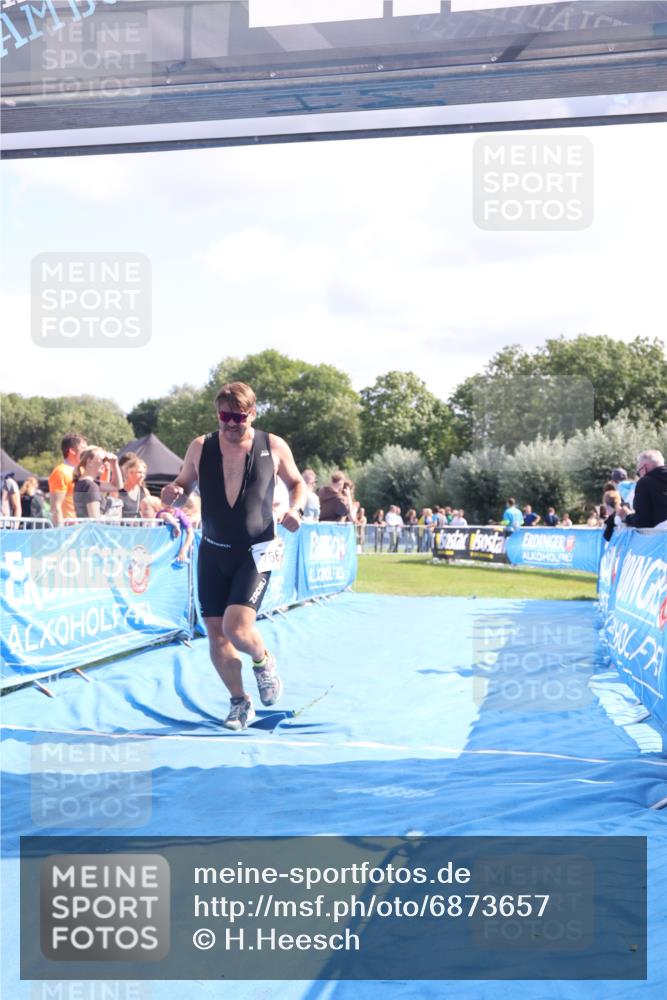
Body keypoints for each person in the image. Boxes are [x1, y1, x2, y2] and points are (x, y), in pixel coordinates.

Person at [161, 381, 306, 731]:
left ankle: (263, 660)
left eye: (238, 417)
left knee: (237, 628)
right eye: (224, 416)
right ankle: (240, 702)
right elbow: (182, 486)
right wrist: (174, 493)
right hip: (214, 549)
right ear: (217, 414)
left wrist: (296, 510)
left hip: (259, 549)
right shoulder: (201, 446)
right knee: (216, 633)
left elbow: (298, 483)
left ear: (252, 414)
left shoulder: (272, 444)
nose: (230, 423)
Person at [619, 450, 667, 529]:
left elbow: (642, 522)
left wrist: (627, 516)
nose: (639, 476)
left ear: (644, 468)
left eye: (638, 473)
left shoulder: (645, 482)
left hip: (661, 537)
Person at [48, 433, 87, 526]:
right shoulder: (61, 472)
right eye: (83, 448)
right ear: (72, 451)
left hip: (83, 526)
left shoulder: (83, 470)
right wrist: (60, 531)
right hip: (69, 528)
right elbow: (56, 506)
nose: (87, 452)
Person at [72, 448, 122, 518]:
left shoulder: (82, 482)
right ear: (89, 461)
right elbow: (94, 518)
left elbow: (117, 486)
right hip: (92, 528)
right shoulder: (91, 486)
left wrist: (114, 464)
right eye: (102, 460)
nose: (105, 463)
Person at [158, 487, 195, 564]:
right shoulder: (161, 513)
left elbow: (190, 533)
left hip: (173, 552)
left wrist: (184, 549)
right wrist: (176, 526)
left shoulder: (180, 514)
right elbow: (165, 515)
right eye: (166, 500)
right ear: (162, 502)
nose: (170, 503)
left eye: (173, 500)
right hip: (160, 551)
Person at [118, 454, 150, 518]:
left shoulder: (144, 492)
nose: (142, 476)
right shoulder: (118, 491)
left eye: (143, 473)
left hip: (139, 527)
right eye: (139, 472)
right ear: (129, 473)